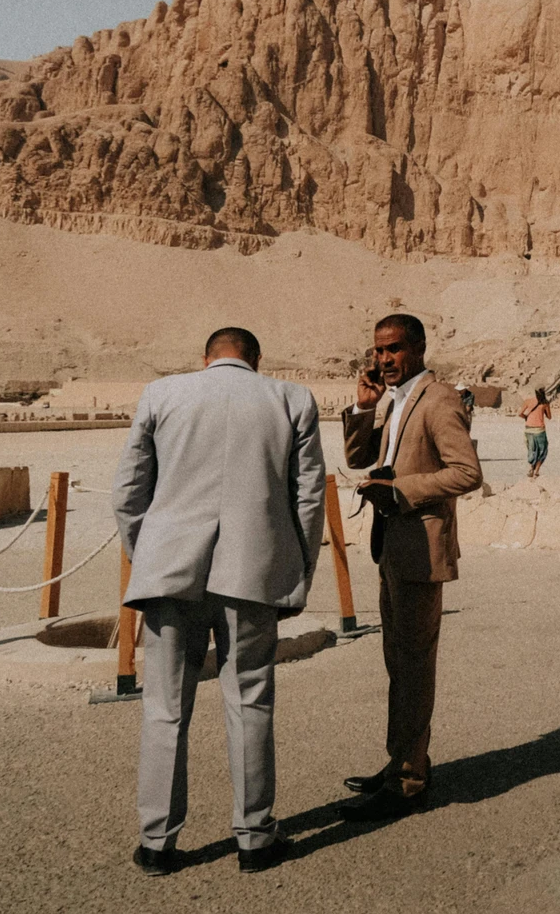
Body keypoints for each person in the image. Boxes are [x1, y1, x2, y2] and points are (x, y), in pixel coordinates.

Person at [113, 327, 325, 875]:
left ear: (205, 358)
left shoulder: (163, 394)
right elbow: (308, 497)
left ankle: (157, 842)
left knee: (164, 709)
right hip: (252, 572)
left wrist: (149, 555)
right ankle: (254, 836)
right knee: (250, 701)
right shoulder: (291, 398)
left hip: (170, 573)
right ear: (256, 359)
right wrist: (297, 570)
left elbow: (128, 492)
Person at [341, 313, 483, 819]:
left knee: (415, 665)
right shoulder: (394, 400)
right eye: (378, 351)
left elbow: (466, 472)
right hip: (392, 546)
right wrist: (363, 408)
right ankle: (400, 760)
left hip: (422, 548)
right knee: (398, 663)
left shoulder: (439, 398)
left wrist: (401, 492)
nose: (385, 359)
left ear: (419, 347)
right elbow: (359, 458)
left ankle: (409, 781)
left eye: (394, 349)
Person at [520, 388, 551, 479]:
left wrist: (526, 417)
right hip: (539, 430)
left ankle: (531, 468)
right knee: (542, 450)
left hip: (528, 429)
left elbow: (520, 413)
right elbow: (549, 416)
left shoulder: (528, 401)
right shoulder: (545, 403)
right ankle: (536, 471)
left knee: (532, 450)